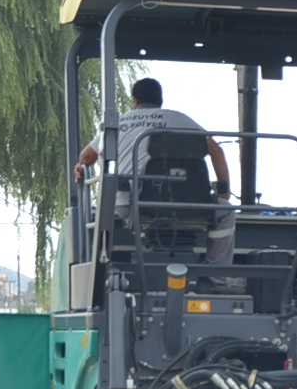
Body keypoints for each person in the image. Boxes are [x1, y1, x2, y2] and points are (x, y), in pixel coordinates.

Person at [75, 77, 238, 263]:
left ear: (135, 101)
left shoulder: (118, 124)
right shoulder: (179, 119)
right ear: (160, 101)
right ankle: (214, 279)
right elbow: (217, 151)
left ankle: (109, 261)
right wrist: (223, 193)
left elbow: (86, 157)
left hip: (130, 206)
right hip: (187, 204)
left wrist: (80, 166)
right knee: (225, 211)